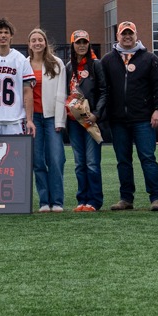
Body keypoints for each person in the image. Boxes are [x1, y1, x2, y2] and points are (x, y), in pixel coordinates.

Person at [96, 20, 158, 211]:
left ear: (136, 35)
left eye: (130, 33)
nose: (127, 37)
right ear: (117, 36)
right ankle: (126, 198)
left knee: (148, 158)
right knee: (123, 160)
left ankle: (156, 198)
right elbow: (101, 88)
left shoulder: (149, 59)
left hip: (144, 119)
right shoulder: (108, 60)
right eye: (123, 34)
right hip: (118, 120)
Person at [27, 28, 68, 212]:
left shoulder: (57, 63)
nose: (37, 43)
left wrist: (60, 121)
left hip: (51, 117)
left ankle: (57, 201)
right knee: (37, 161)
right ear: (29, 44)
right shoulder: (24, 64)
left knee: (56, 159)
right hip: (32, 118)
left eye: (40, 40)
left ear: (45, 42)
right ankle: (44, 201)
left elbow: (61, 93)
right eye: (34, 40)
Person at [64, 31, 104, 212]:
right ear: (72, 45)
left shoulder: (96, 65)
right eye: (78, 42)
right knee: (79, 163)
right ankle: (82, 199)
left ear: (89, 44)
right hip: (74, 121)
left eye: (84, 42)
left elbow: (104, 91)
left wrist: (96, 113)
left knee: (92, 163)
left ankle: (94, 201)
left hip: (90, 120)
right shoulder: (68, 67)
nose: (81, 45)